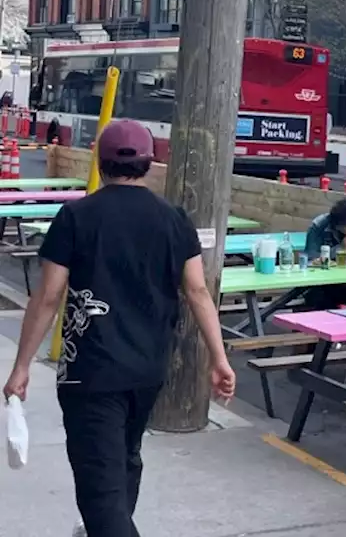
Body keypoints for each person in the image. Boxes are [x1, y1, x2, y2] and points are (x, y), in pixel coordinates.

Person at [2, 119, 235, 537]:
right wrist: (219, 359)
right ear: (150, 162)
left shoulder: (76, 216)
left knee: (99, 487)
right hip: (147, 370)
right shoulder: (174, 219)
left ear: (100, 160)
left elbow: (49, 297)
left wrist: (21, 367)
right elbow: (198, 291)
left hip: (90, 372)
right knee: (125, 457)